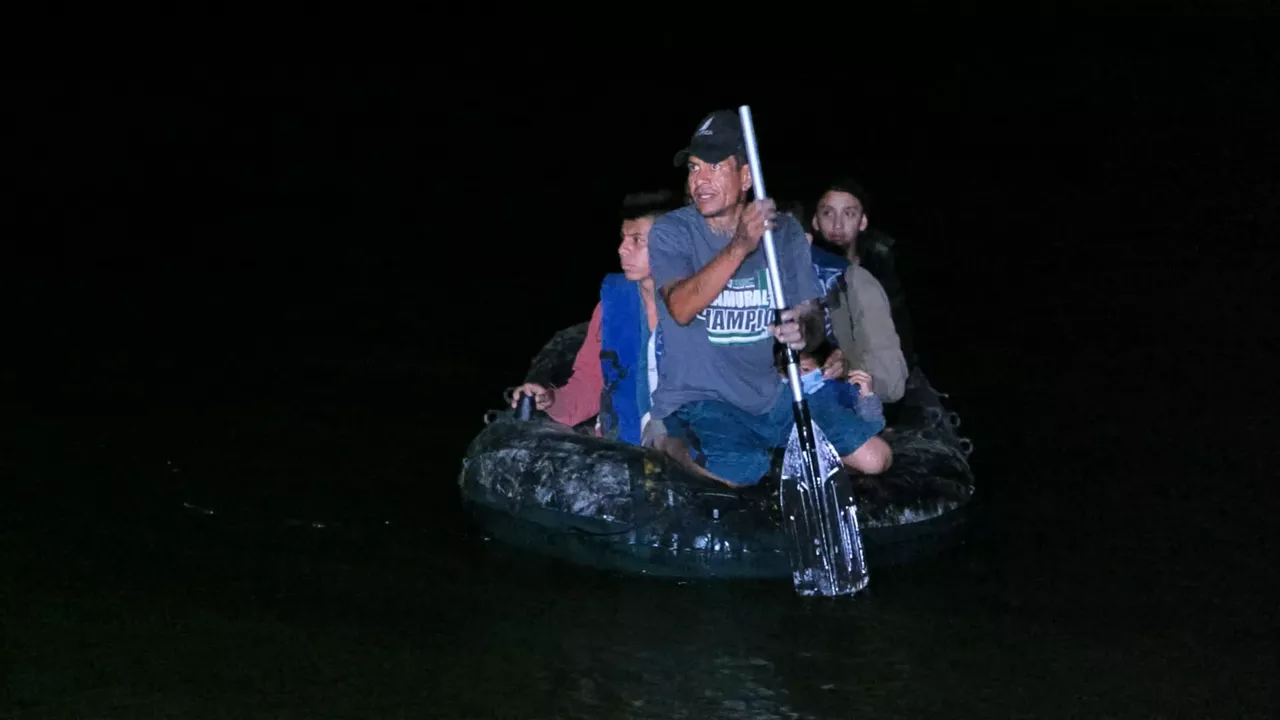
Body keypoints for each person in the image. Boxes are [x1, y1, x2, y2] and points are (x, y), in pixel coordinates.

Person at [644, 109, 892, 487]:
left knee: (876, 459)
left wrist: (801, 330)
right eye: (694, 168)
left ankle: (767, 452)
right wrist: (741, 245)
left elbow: (811, 317)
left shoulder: (785, 233)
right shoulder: (672, 231)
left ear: (746, 177)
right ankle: (666, 444)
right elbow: (679, 308)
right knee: (739, 475)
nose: (699, 180)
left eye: (714, 167)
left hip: (767, 395)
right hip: (698, 398)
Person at [509, 191, 676, 444]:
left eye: (637, 240)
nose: (622, 249)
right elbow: (588, 385)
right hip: (623, 451)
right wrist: (549, 399)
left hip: (686, 452)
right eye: (623, 238)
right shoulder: (613, 307)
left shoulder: (706, 302)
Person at [811, 180, 910, 404]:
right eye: (827, 213)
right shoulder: (801, 269)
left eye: (848, 214)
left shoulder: (882, 273)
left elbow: (900, 347)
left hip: (875, 395)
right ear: (815, 221)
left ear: (862, 221)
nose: (837, 225)